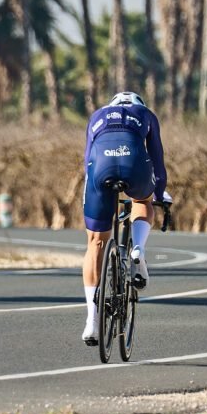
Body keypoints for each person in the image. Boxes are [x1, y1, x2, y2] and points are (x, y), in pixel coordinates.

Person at [81, 91, 168, 345]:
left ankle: (92, 321)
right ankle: (138, 251)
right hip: (134, 164)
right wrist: (159, 193)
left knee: (95, 242)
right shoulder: (146, 115)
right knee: (143, 200)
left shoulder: (97, 116)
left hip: (99, 169)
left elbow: (87, 159)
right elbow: (158, 162)